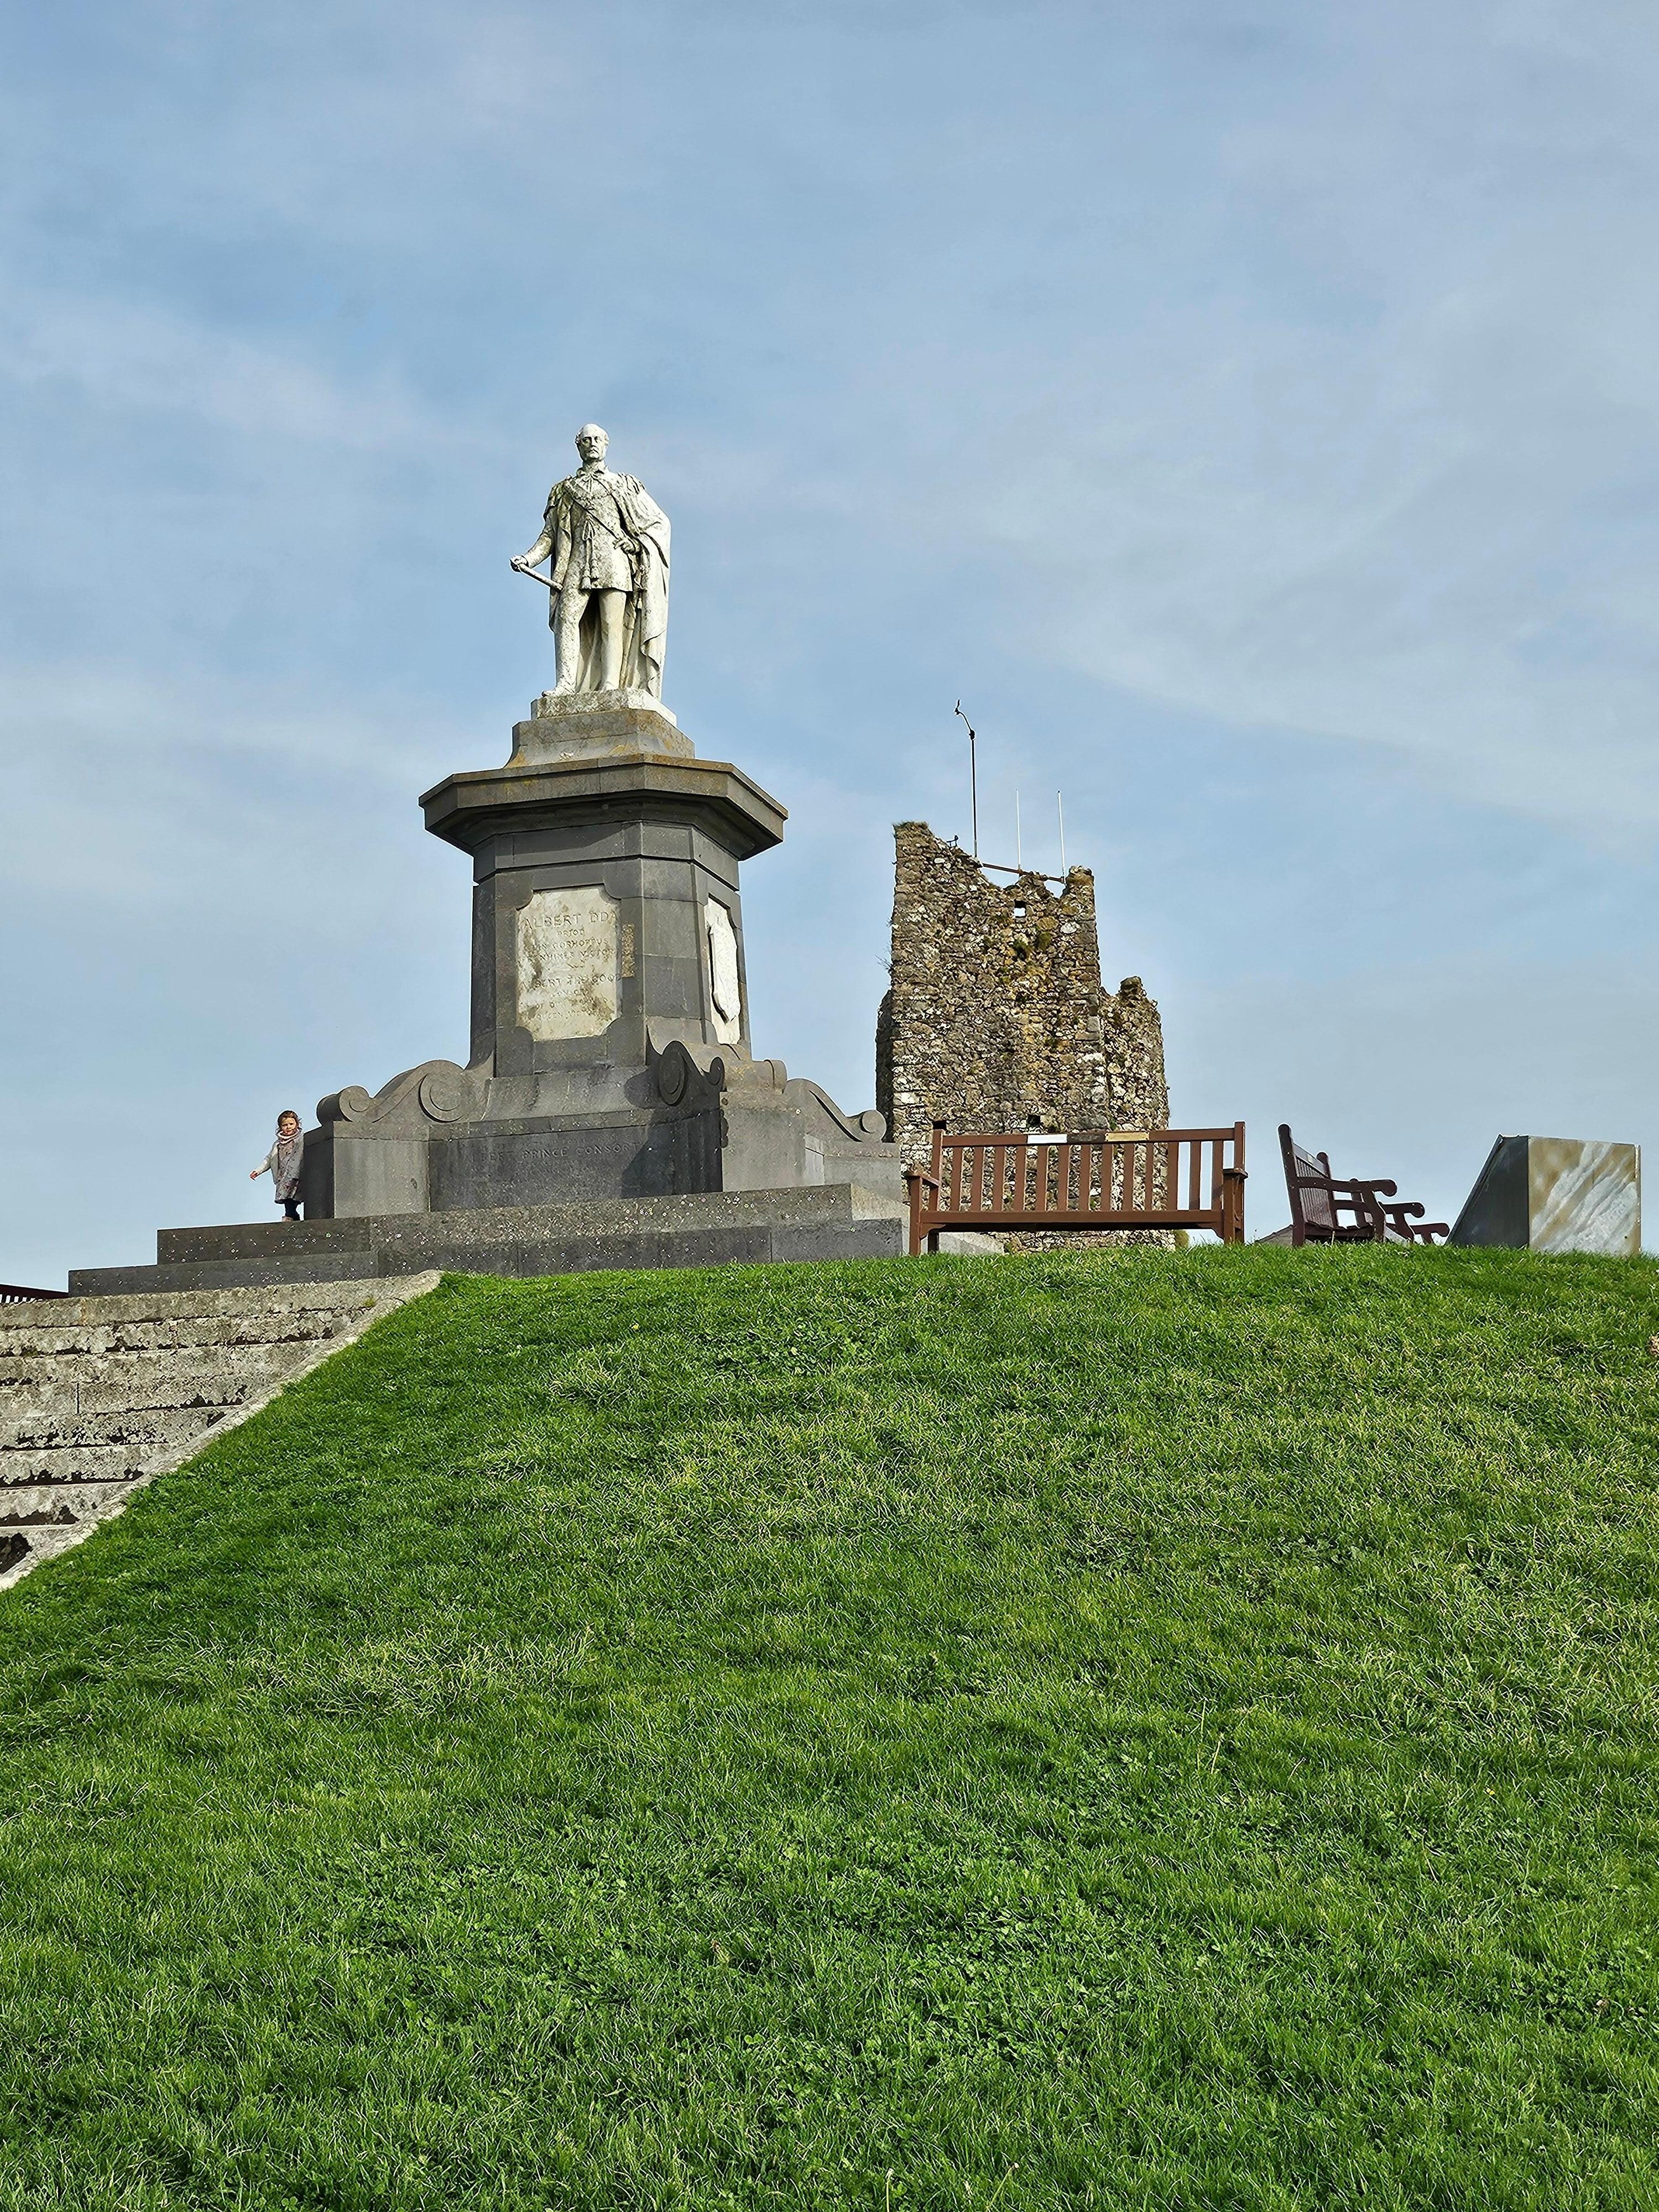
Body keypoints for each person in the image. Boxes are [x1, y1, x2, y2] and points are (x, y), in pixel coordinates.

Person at [511, 424, 671, 698]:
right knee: (566, 618)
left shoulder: (623, 484)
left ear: (606, 443)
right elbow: (549, 536)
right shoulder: (564, 491)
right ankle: (566, 684)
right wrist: (528, 558)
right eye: (586, 440)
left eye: (597, 439)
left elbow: (659, 523)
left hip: (615, 562)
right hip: (577, 564)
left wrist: (636, 543)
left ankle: (610, 685)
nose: (592, 443)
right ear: (578, 445)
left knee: (612, 624)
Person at [251, 1110, 305, 1221]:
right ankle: (292, 1216)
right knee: (287, 1198)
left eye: (291, 1124)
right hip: (283, 1175)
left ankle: (291, 1216)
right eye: (285, 1125)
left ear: (297, 1124)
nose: (289, 1127)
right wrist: (258, 1171)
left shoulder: (300, 1140)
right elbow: (269, 1159)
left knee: (294, 1197)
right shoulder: (278, 1144)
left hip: (296, 1173)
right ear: (280, 1127)